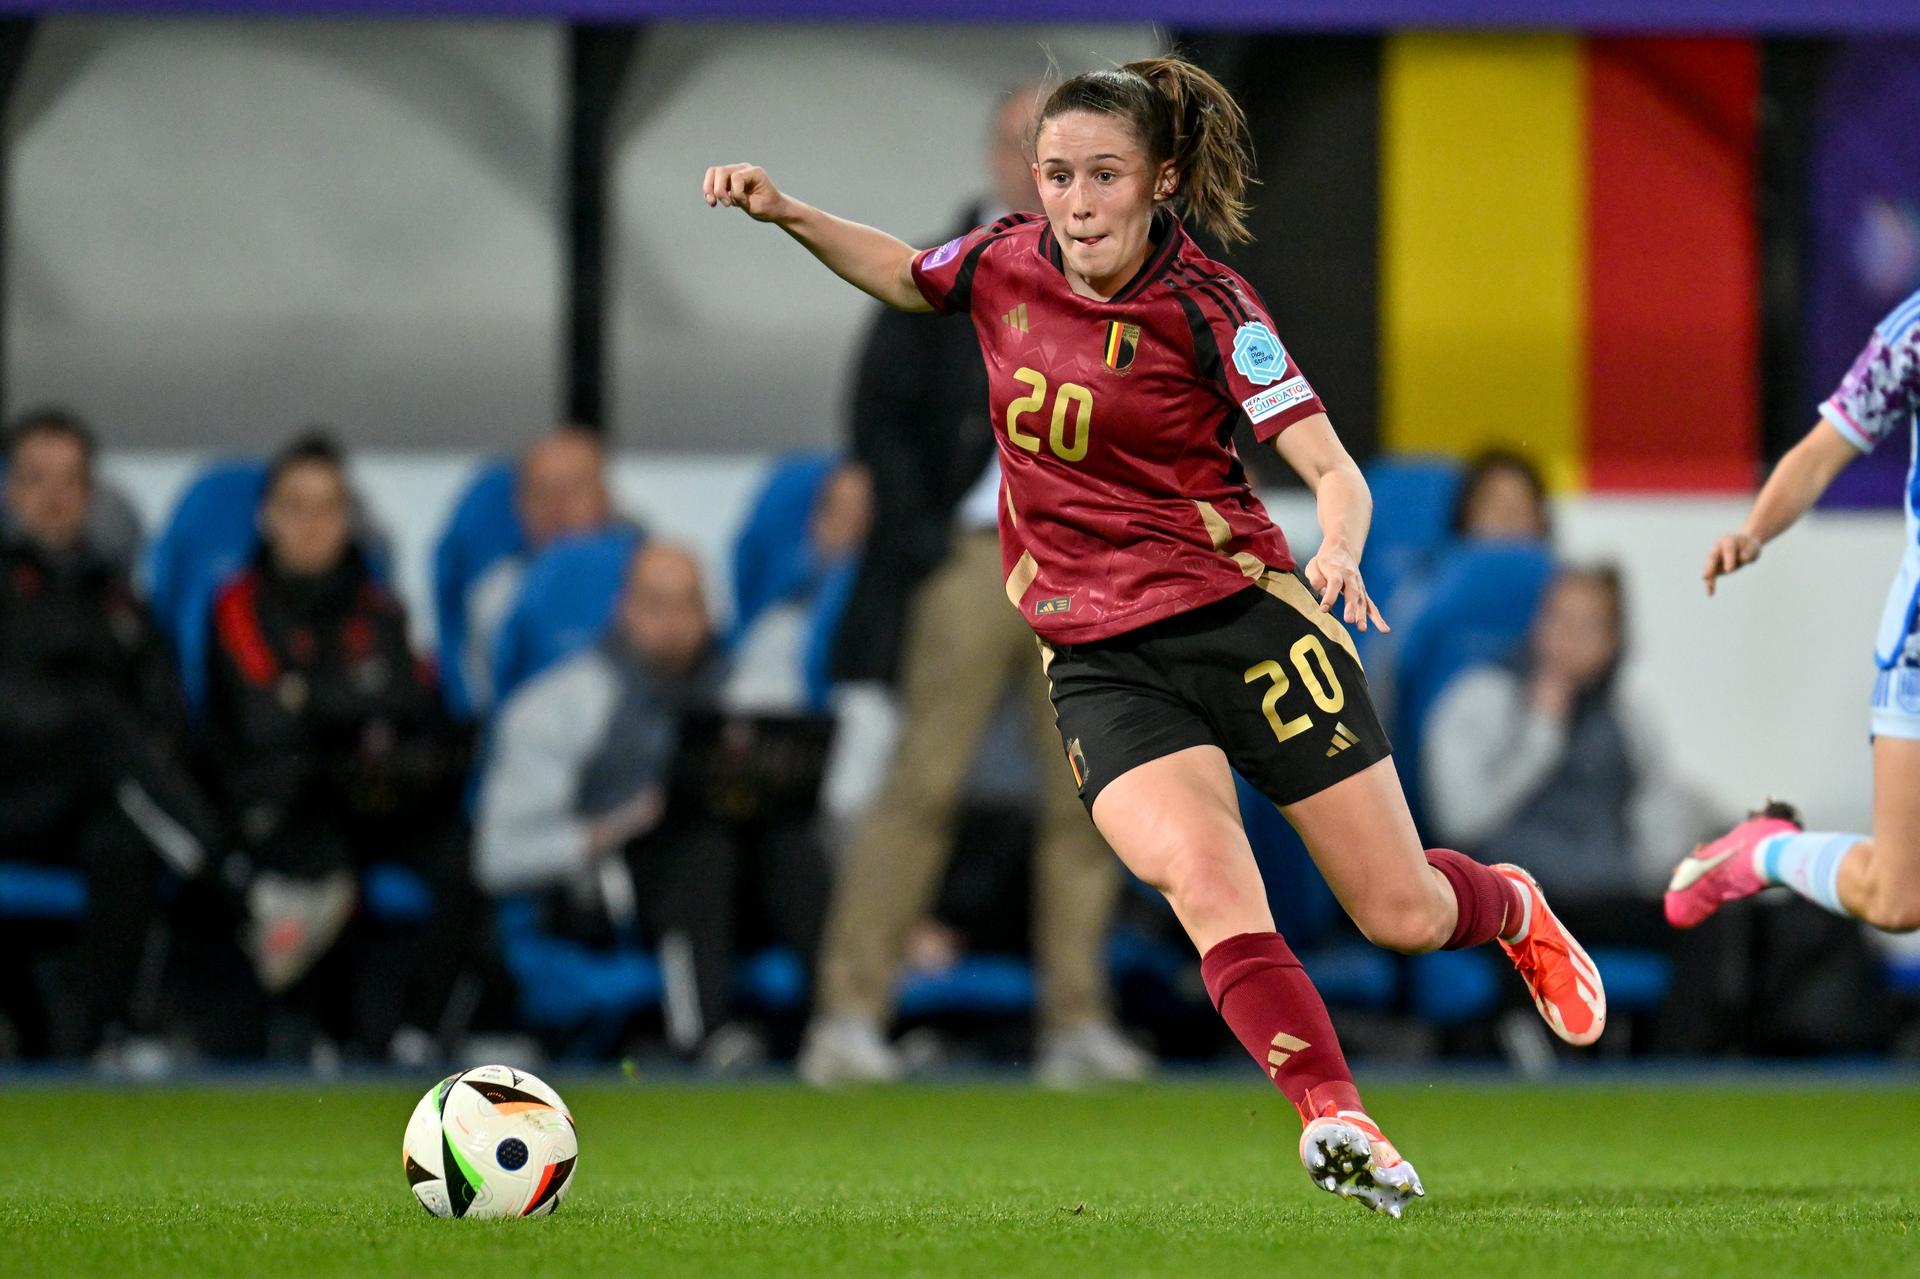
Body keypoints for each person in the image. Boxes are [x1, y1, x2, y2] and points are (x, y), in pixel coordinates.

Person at [703, 55, 1605, 1215]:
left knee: (1403, 912)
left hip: (1244, 629)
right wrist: (787, 214)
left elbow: (1327, 463)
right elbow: (900, 273)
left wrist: (1336, 545)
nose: (1076, 203)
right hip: (1098, 657)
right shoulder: (1002, 260)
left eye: (1104, 176)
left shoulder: (1212, 306)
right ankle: (1338, 1118)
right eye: (1058, 175)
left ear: (1160, 179)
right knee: (1200, 877)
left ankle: (1511, 907)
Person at [801, 86, 1151, 1089]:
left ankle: (1076, 1023)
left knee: (1091, 799)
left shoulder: (1132, 280)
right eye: (1037, 151)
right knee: (922, 784)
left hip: (1085, 569)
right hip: (968, 558)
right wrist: (925, 537)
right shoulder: (933, 276)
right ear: (1003, 161)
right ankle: (850, 1013)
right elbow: (878, 418)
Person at [477, 542, 829, 1066]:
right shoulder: (561, 704)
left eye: (689, 605)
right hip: (615, 885)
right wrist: (612, 827)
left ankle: (843, 1024)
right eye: (656, 605)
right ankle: (705, 1036)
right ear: (624, 610)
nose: (674, 623)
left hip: (744, 880)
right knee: (698, 841)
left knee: (791, 841)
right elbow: (497, 856)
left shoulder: (747, 696)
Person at [203, 432, 475, 1053]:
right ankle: (324, 1037)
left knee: (462, 854)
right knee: (323, 860)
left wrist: (318, 696)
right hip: (284, 798)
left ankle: (423, 1032)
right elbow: (266, 722)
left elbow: (412, 701)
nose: (312, 525)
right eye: (296, 506)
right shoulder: (240, 604)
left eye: (328, 507)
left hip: (378, 793)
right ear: (267, 517)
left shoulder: (379, 606)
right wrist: (354, 699)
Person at [1668, 286, 1920, 937]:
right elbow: (1817, 454)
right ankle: (1762, 850)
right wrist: (1754, 532)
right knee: (1895, 898)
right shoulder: (1912, 336)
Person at [0, 407, 221, 1061]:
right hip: (13, 793)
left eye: (69, 480)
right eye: (36, 478)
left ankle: (100, 1037)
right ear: (12, 490)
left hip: (97, 801)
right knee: (97, 723)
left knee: (122, 834)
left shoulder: (117, 595)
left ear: (89, 493)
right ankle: (233, 880)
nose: (53, 496)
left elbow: (167, 710)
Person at [462, 425, 617, 715]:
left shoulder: (647, 577)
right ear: (519, 505)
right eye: (541, 491)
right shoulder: (493, 595)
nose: (556, 507)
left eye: (573, 489)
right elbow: (483, 700)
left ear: (605, 497)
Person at [1449, 448, 1553, 541]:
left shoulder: (1557, 562)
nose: (1508, 518)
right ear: (1468, 512)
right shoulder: (1439, 562)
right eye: (1495, 505)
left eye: (1521, 507)